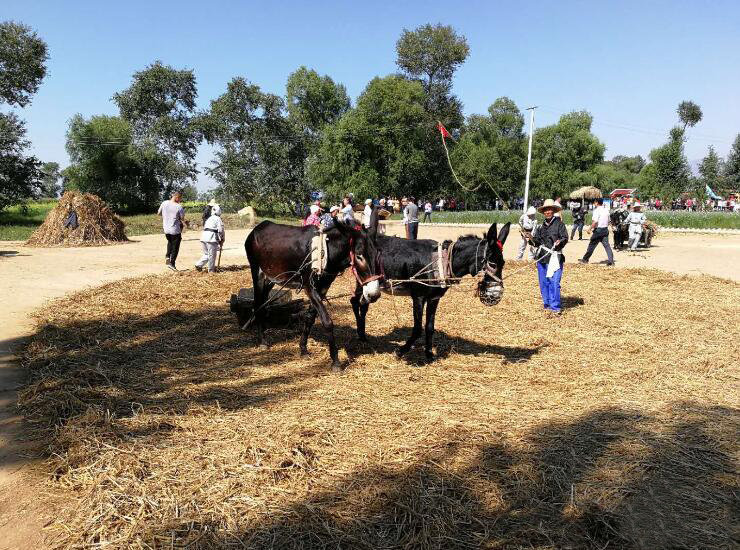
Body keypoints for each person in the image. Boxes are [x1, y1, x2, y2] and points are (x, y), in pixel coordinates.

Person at [529, 199, 568, 314]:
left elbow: (565, 238)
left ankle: (555, 307)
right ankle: (547, 305)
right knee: (544, 283)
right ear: (543, 212)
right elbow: (537, 242)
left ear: (553, 211)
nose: (548, 212)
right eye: (546, 210)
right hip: (542, 258)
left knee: (554, 282)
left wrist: (559, 242)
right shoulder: (541, 227)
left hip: (555, 258)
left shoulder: (560, 225)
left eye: (550, 209)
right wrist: (530, 238)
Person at [579, 198, 614, 266]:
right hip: (605, 230)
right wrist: (612, 227)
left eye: (594, 202)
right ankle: (611, 261)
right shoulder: (606, 210)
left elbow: (595, 222)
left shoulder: (596, 211)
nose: (594, 203)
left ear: (597, 203)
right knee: (607, 246)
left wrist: (589, 228)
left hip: (598, 231)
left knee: (591, 246)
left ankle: (585, 260)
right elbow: (609, 221)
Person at [157, 191, 185, 271]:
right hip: (175, 229)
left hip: (166, 229)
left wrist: (166, 215)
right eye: (180, 199)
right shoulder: (179, 206)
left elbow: (158, 213)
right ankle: (172, 264)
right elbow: (182, 218)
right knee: (175, 247)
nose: (180, 200)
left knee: (170, 241)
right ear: (177, 197)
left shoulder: (164, 203)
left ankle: (167, 256)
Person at [195, 204, 225, 273]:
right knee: (212, 255)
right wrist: (222, 239)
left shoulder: (209, 218)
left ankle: (199, 265)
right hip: (211, 238)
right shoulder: (218, 219)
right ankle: (211, 271)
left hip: (204, 237)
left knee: (207, 254)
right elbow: (221, 229)